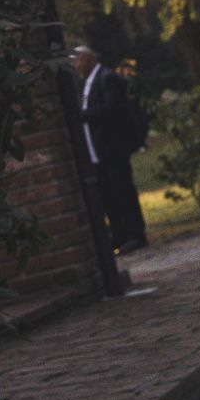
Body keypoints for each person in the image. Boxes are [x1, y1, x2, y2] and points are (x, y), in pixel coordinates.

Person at [70, 41, 148, 254]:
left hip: (113, 146)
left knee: (123, 190)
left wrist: (82, 116)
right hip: (98, 150)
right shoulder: (88, 81)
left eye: (77, 61)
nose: (75, 65)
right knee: (108, 194)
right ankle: (119, 235)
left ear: (87, 59)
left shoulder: (107, 77)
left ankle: (136, 234)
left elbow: (112, 109)